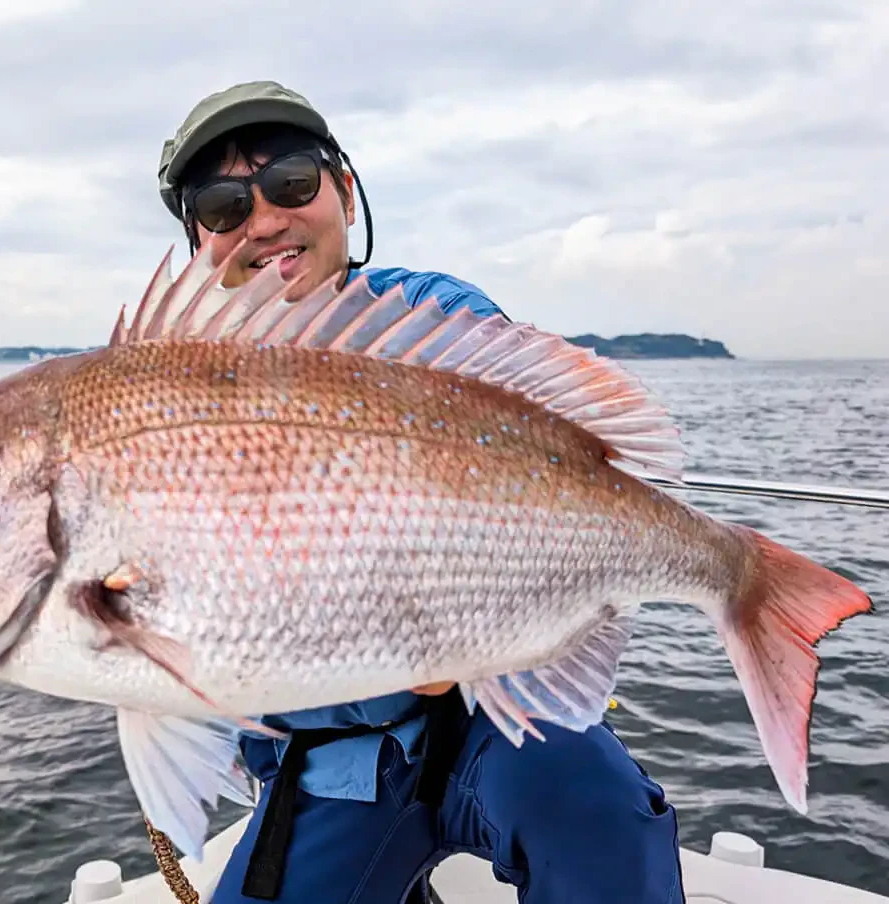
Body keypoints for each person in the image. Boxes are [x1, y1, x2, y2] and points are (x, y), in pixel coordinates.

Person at [156, 80, 687, 904]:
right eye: (223, 205)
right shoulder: (165, 398)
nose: (263, 220)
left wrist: (464, 624)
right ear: (198, 242)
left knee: (600, 819)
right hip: (328, 765)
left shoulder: (438, 321)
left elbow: (550, 481)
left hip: (497, 716)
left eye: (292, 183)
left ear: (346, 190)